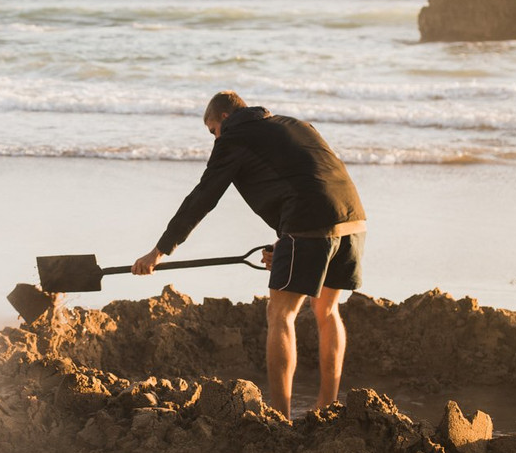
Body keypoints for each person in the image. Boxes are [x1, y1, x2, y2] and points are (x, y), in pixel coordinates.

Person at [132, 91, 365, 420]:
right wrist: (283, 244)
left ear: (224, 119)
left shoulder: (234, 137)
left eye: (212, 130)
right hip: (352, 218)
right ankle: (326, 405)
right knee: (327, 310)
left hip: (308, 222)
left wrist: (160, 250)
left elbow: (203, 196)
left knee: (280, 313)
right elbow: (304, 177)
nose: (215, 138)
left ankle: (279, 414)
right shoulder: (294, 125)